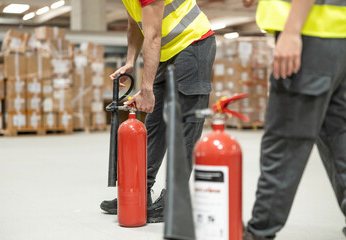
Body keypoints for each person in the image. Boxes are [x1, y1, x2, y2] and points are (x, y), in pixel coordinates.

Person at [100, 0, 216, 223]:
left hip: (194, 43)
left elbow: (152, 36)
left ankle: (174, 199)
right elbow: (135, 25)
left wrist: (146, 89)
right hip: (168, 51)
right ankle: (137, 194)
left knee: (186, 125)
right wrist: (130, 62)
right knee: (154, 125)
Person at [242, 0, 346, 239]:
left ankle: (260, 232)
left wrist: (291, 30)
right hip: (338, 37)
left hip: (312, 32)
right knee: (339, 136)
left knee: (286, 140)